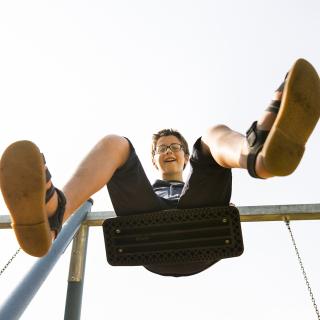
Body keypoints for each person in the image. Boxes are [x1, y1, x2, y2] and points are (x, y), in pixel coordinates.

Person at [1, 58, 320, 277]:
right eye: (162, 148)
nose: (169, 151)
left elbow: (200, 156)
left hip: (202, 234)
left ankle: (256, 154)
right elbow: (125, 169)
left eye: (175, 147)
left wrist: (198, 152)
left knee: (209, 136)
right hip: (149, 236)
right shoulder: (146, 188)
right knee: (116, 142)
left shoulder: (196, 173)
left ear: (183, 158)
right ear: (153, 160)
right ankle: (55, 213)